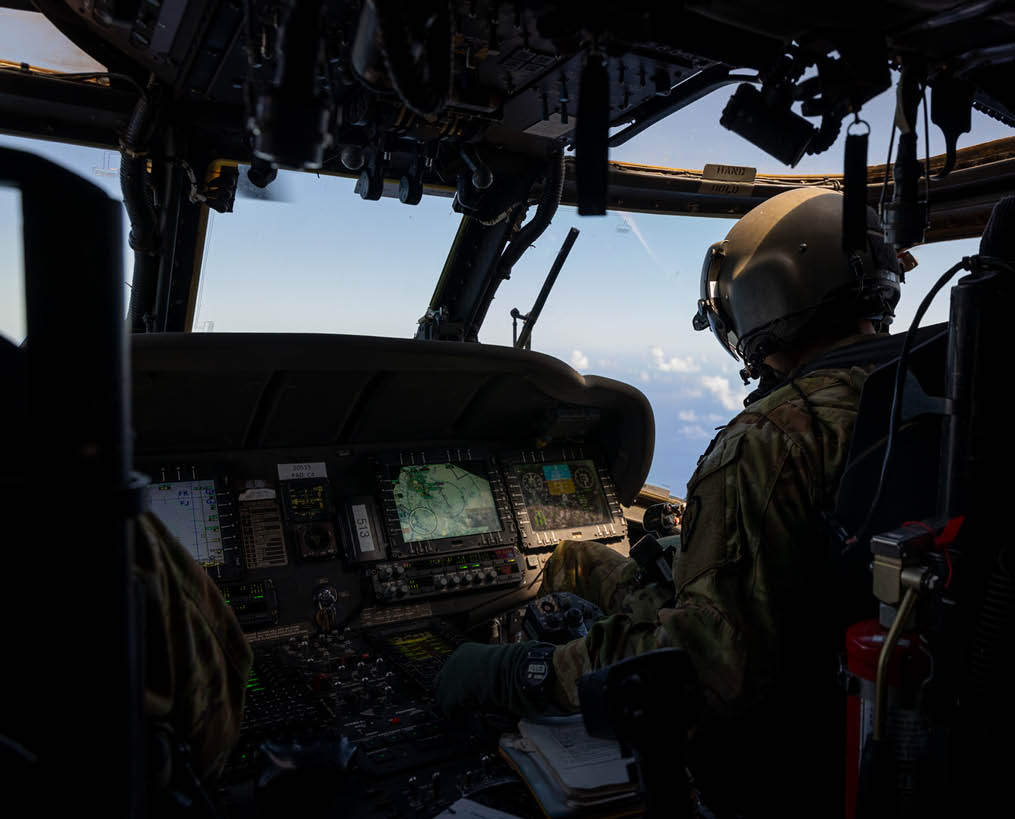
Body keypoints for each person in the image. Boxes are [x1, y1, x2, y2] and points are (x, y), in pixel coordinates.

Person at [436, 187, 903, 815]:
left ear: (763, 296)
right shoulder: (925, 390)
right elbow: (806, 577)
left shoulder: (771, 439)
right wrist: (646, 572)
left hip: (780, 777)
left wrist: (519, 672)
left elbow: (702, 665)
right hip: (879, 747)